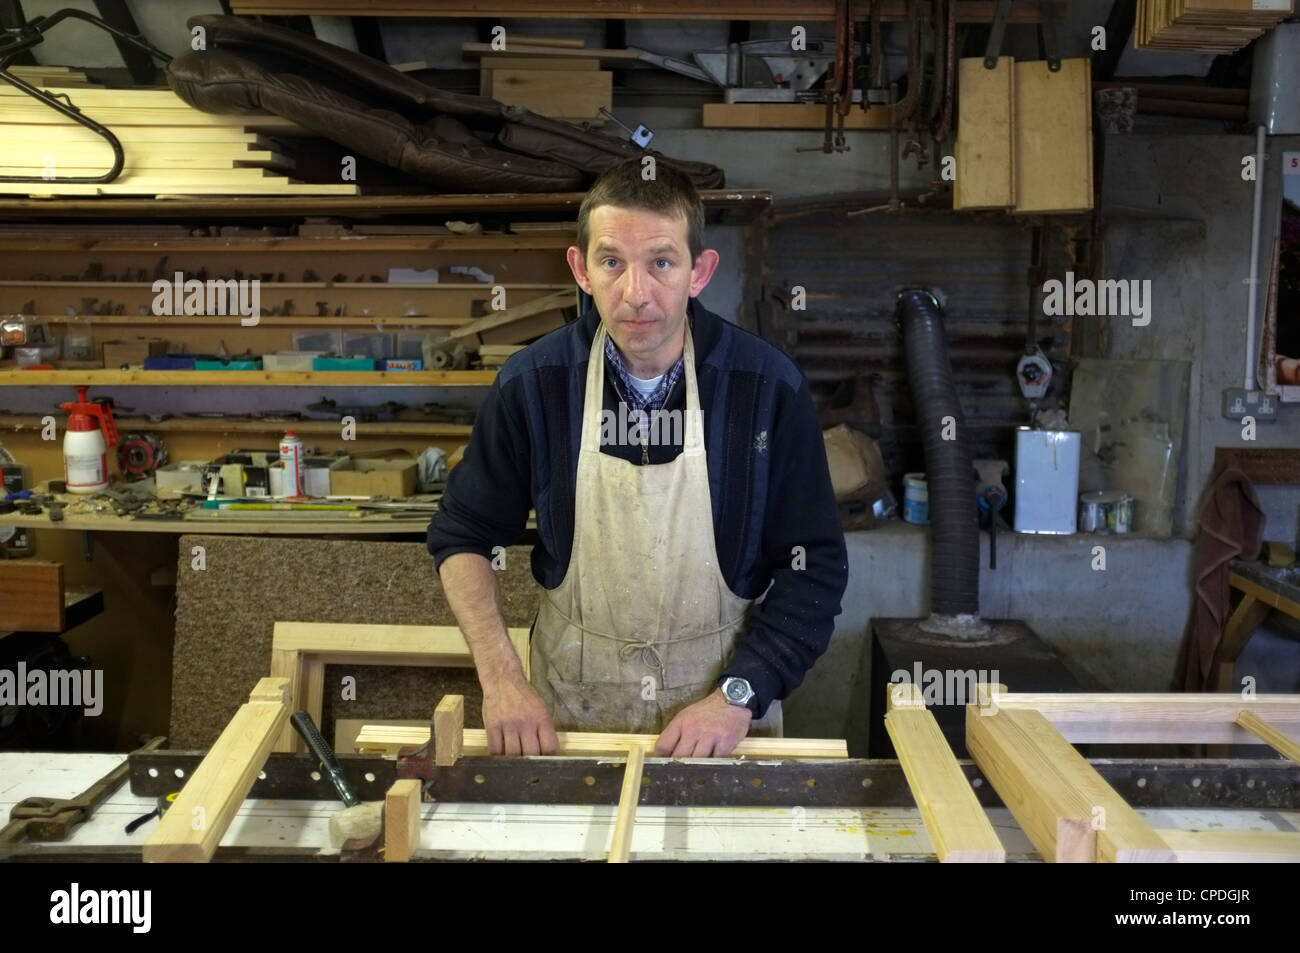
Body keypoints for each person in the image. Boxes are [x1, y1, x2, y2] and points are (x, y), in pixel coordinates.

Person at [427, 158, 847, 758]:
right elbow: (463, 534)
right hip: (568, 715)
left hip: (722, 723)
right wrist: (502, 680)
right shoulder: (534, 383)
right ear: (581, 269)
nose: (635, 294)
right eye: (611, 262)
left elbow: (815, 566)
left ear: (699, 272)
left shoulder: (766, 388)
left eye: (662, 263)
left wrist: (737, 695)